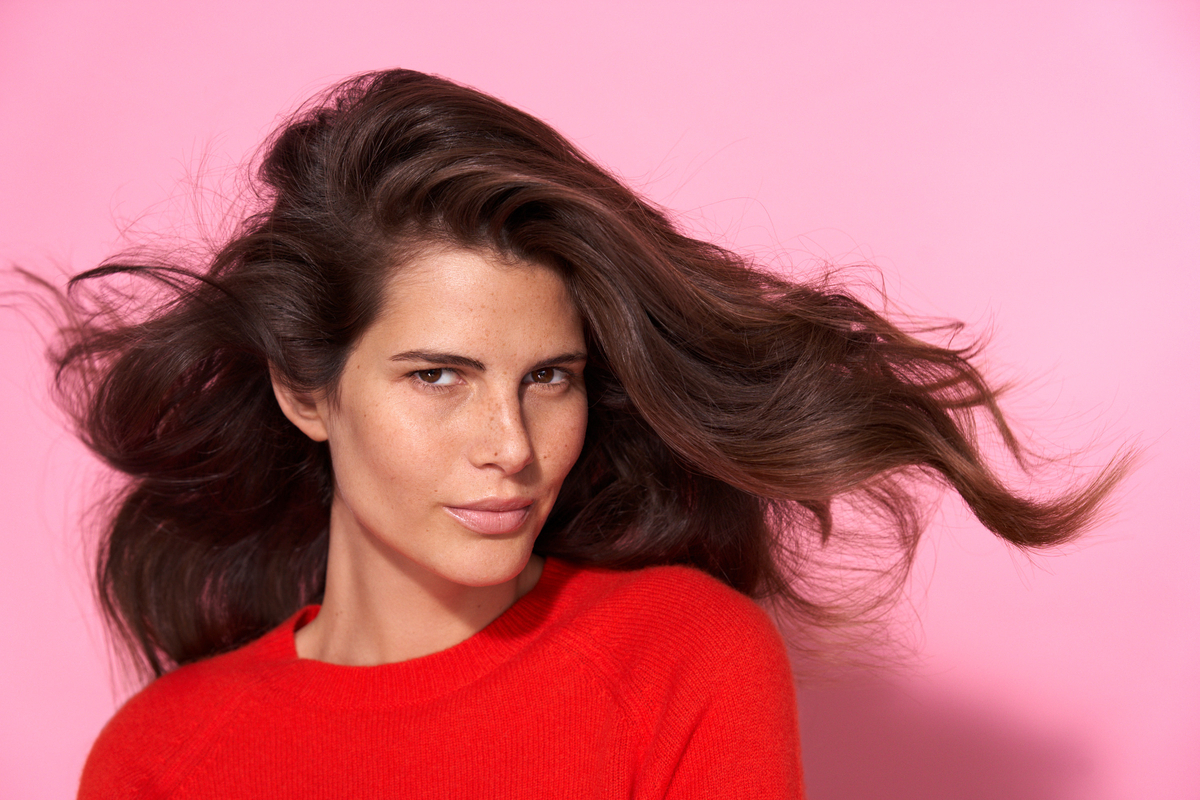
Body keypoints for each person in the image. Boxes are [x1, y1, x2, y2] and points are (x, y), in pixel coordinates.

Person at [47, 69, 1126, 798]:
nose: (510, 443)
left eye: (549, 378)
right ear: (306, 389)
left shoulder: (680, 656)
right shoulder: (161, 756)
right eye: (439, 376)